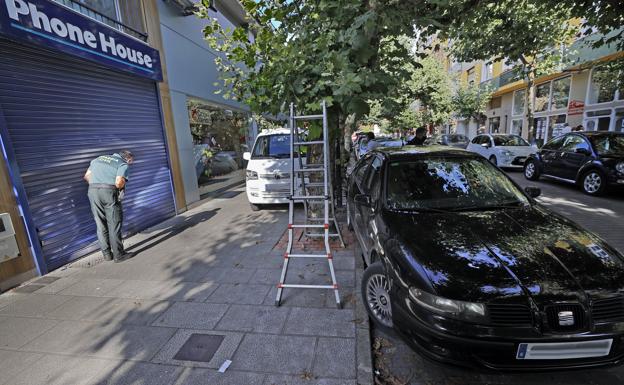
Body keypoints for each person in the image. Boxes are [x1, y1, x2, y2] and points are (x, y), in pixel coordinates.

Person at [83, 150, 135, 263]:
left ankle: (107, 255)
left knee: (100, 224)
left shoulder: (98, 159)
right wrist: (118, 187)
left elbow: (87, 176)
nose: (131, 164)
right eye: (131, 162)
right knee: (114, 223)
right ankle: (119, 255)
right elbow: (119, 182)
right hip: (108, 192)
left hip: (92, 191)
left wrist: (98, 185)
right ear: (127, 158)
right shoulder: (122, 164)